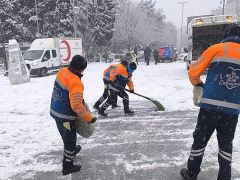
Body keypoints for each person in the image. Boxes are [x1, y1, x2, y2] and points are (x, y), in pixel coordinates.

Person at [180, 24, 240, 180]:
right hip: (232, 110)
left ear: (227, 35)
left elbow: (193, 70)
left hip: (210, 107)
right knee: (226, 145)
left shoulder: (216, 49)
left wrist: (198, 84)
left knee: (200, 141)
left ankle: (192, 174)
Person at [50, 55, 97, 175]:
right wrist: (88, 118)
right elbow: (76, 105)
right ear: (82, 69)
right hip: (65, 116)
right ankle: (67, 165)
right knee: (70, 140)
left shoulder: (63, 71)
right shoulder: (75, 82)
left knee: (65, 135)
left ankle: (71, 150)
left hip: (55, 111)